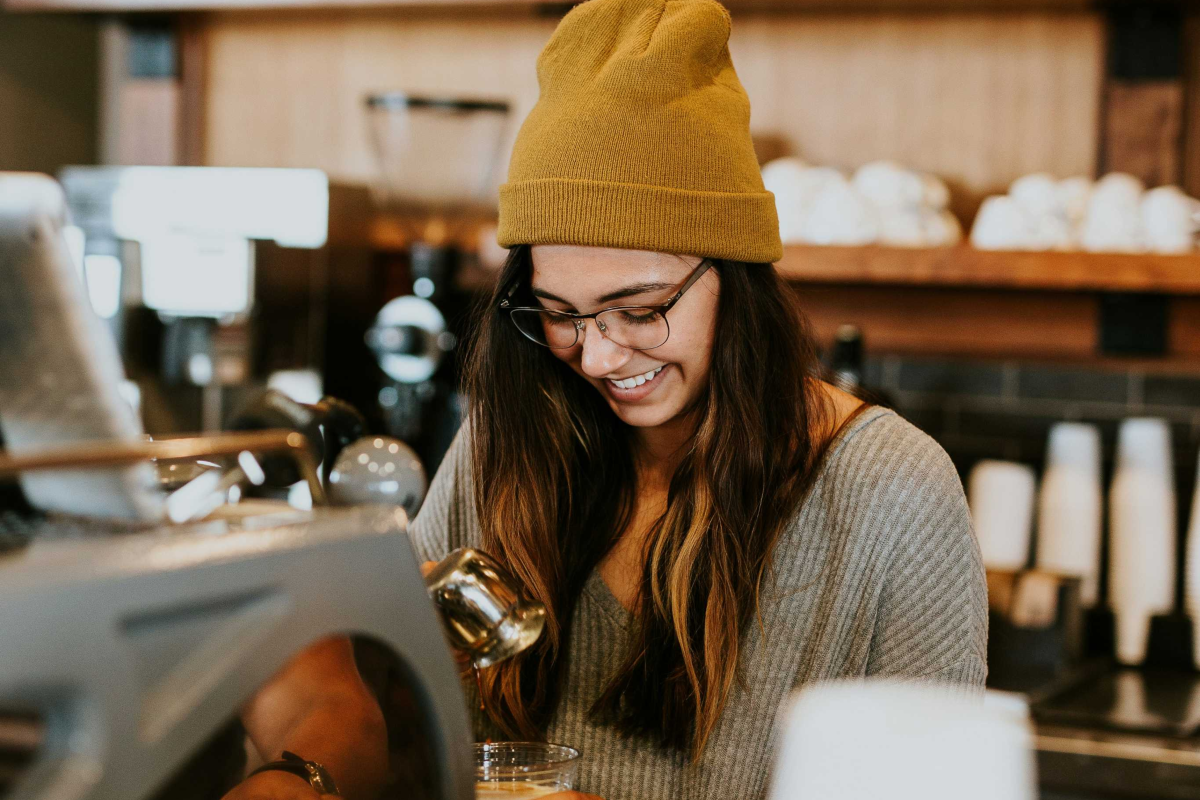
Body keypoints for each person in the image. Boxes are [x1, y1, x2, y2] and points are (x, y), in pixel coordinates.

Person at [411, 0, 987, 797]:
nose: (601, 355)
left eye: (640, 308)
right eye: (560, 313)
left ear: (734, 277)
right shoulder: (503, 446)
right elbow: (390, 706)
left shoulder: (891, 491)